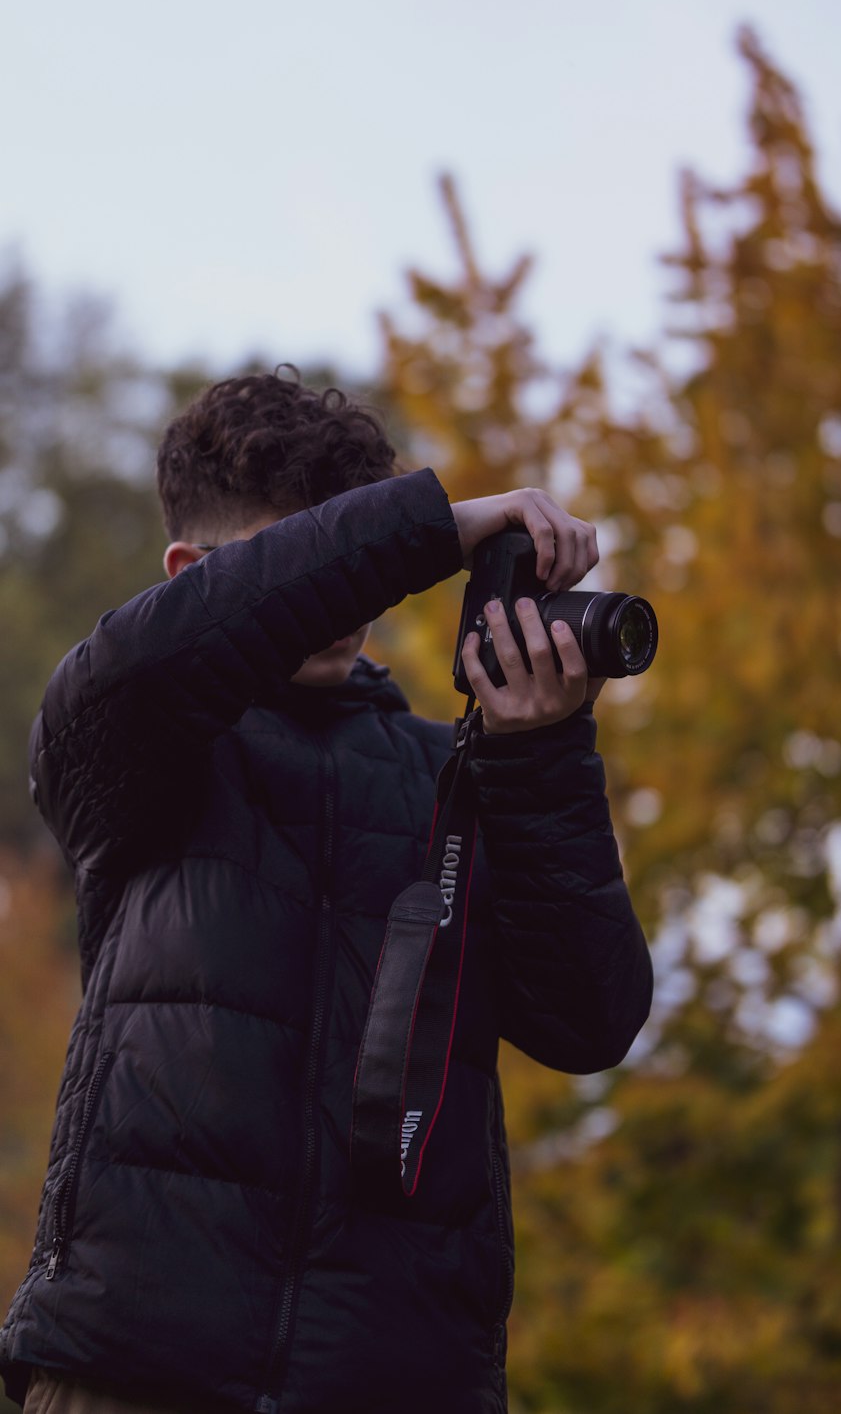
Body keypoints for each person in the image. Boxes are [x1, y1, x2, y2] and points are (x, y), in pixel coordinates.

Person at [0, 370, 653, 1414]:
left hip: (396, 1382)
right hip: (131, 1371)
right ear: (186, 571)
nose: (352, 599)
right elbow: (147, 662)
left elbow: (590, 1021)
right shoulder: (134, 741)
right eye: (323, 555)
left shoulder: (453, 775)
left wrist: (541, 754)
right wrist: (429, 526)